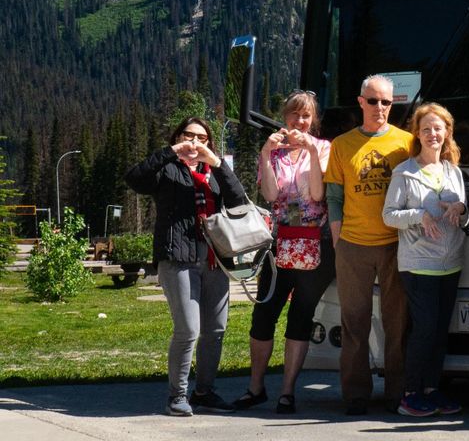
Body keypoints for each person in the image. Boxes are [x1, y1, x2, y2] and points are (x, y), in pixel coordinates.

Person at [124, 116, 246, 416]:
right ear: (177, 137)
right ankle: (177, 396)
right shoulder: (166, 169)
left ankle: (205, 391)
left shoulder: (214, 171)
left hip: (214, 258)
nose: (194, 143)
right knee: (188, 330)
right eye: (188, 136)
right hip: (177, 257)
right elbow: (134, 178)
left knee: (215, 330)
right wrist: (171, 152)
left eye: (201, 138)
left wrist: (217, 163)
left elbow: (239, 199)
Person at [234, 91, 333, 414]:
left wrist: (311, 153)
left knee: (300, 318)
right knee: (264, 314)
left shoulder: (323, 148)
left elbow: (318, 193)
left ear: (313, 120)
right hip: (280, 243)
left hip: (314, 245)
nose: (299, 121)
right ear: (284, 117)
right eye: (294, 115)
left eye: (305, 116)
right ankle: (256, 386)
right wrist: (265, 152)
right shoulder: (274, 154)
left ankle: (287, 391)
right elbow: (271, 194)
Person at [324, 75, 414, 415]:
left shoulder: (406, 142)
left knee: (397, 322)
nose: (380, 108)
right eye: (373, 101)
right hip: (353, 245)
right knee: (354, 322)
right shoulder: (342, 145)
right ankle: (356, 394)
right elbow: (334, 197)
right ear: (360, 101)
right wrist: (338, 237)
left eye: (386, 102)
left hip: (395, 243)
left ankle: (397, 393)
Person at [382, 103, 469, 417]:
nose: (433, 134)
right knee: (424, 330)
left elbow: (464, 211)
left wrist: (460, 209)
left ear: (447, 132)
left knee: (440, 330)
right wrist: (419, 215)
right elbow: (389, 216)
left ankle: (432, 389)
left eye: (438, 128)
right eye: (426, 128)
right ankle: (410, 393)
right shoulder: (404, 172)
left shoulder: (453, 171)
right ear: (417, 134)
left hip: (452, 262)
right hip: (418, 263)